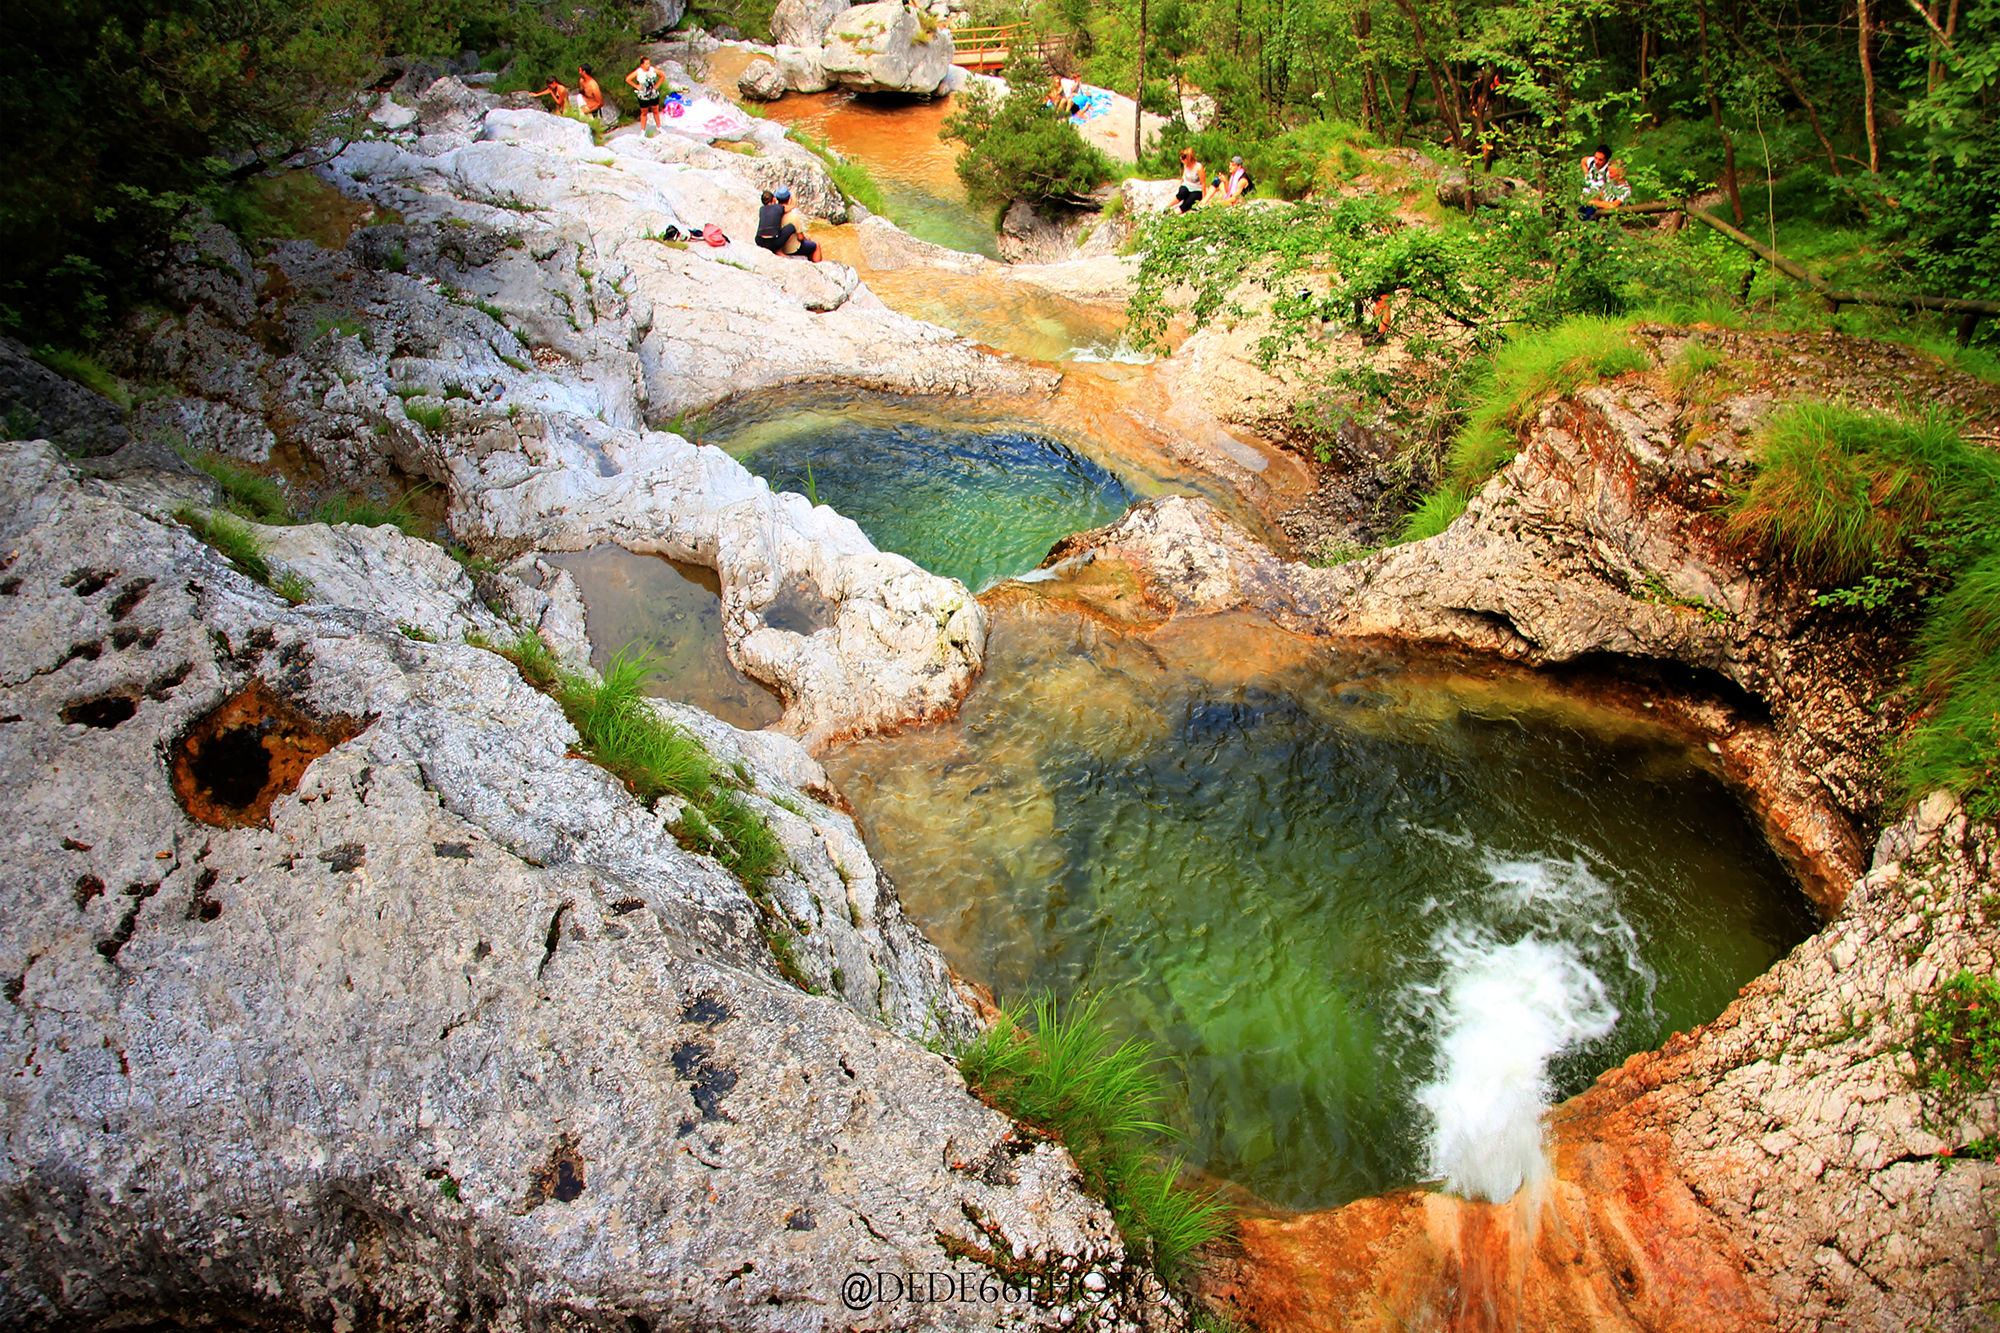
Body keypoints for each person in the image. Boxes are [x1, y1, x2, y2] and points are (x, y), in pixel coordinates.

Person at [755, 187, 819, 261]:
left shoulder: (762, 209)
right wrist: (794, 197)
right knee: (791, 227)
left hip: (760, 241)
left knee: (774, 231)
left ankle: (778, 251)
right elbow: (792, 206)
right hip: (776, 243)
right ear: (774, 199)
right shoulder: (779, 208)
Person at [1579, 144, 1630, 219]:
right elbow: (1583, 161)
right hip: (1597, 200)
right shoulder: (1592, 163)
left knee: (1587, 214)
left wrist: (1594, 202)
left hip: (1606, 209)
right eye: (1595, 158)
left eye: (1611, 173)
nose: (1609, 175)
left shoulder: (1624, 189)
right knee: (1581, 211)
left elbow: (1613, 205)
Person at [628, 57, 666, 134]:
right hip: (643, 94)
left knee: (655, 110)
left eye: (648, 63)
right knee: (644, 112)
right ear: (642, 65)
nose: (648, 65)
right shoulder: (638, 71)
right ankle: (643, 130)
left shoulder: (652, 70)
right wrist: (636, 86)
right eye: (646, 64)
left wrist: (657, 85)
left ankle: (659, 127)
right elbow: (628, 79)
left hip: (653, 93)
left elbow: (662, 76)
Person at [1174, 147, 1206, 213]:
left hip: (1196, 189)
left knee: (1188, 202)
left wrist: (1204, 199)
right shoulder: (1186, 165)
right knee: (1181, 193)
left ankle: (1175, 212)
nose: (1182, 160)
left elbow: (1203, 183)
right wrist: (1180, 186)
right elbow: (1183, 177)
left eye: (1183, 158)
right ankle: (1168, 207)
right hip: (1187, 186)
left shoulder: (1198, 167)